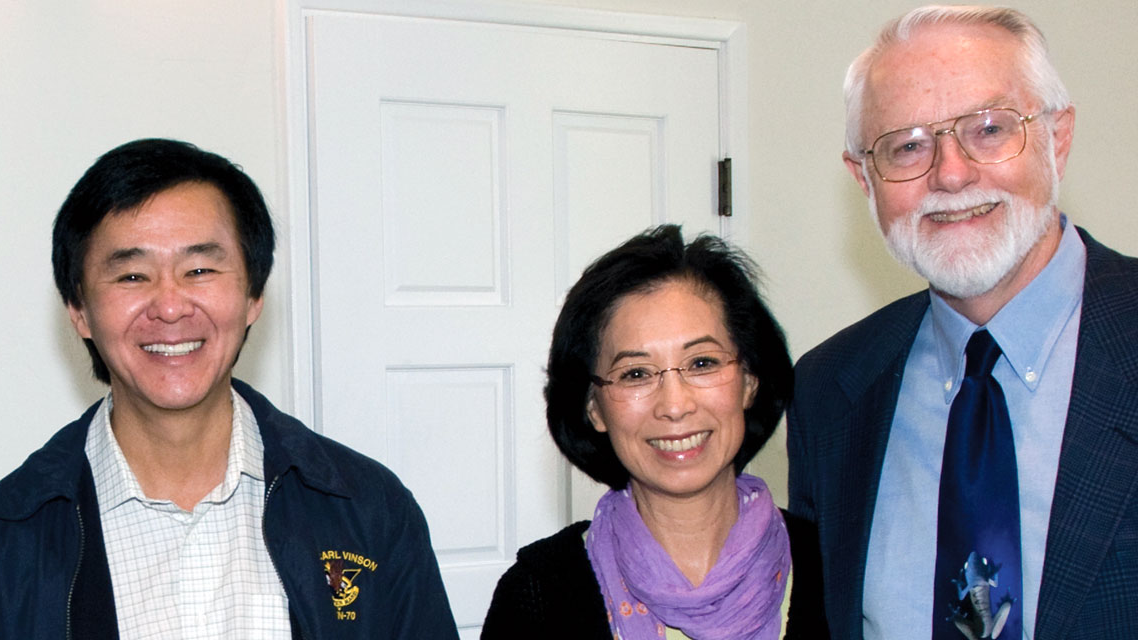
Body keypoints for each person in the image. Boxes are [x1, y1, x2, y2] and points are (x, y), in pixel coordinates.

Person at [0, 138, 456, 638]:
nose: (169, 306)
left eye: (200, 269)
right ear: (79, 310)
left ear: (253, 295)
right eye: (132, 276)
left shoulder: (368, 509)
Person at [788, 6, 1138, 639]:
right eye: (908, 146)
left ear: (1058, 138)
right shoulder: (830, 391)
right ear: (864, 178)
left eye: (989, 129)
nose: (950, 174)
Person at [484, 225, 825, 638]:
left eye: (702, 363)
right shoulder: (539, 594)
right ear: (594, 408)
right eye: (636, 373)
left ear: (749, 381)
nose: (675, 405)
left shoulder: (835, 564)